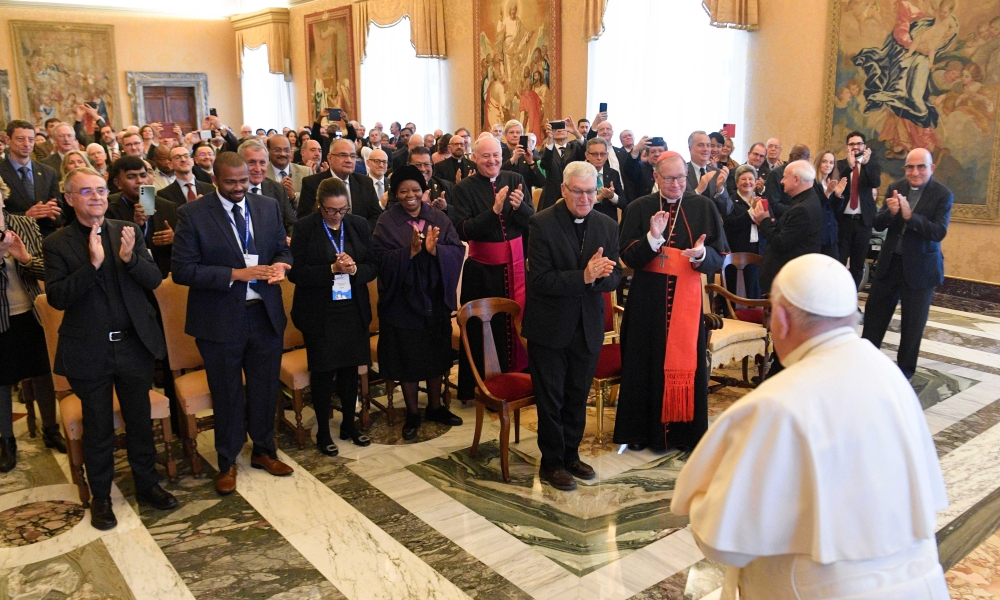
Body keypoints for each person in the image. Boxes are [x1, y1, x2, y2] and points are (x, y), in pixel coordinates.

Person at [673, 254, 949, 600]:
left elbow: (722, 541)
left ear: (782, 320)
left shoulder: (777, 404)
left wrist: (703, 499)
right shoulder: (889, 375)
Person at [44, 167, 178, 529]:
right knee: (99, 427)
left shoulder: (127, 231)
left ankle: (148, 484)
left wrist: (130, 259)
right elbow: (57, 298)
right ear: (70, 200)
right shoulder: (58, 242)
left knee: (139, 420)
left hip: (133, 345)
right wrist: (93, 265)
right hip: (90, 351)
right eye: (86, 192)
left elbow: (154, 281)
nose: (96, 198)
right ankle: (101, 497)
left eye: (101, 191)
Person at [171, 152, 294, 496]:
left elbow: (282, 250)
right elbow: (182, 270)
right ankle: (227, 461)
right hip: (219, 319)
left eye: (244, 181)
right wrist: (235, 275)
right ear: (215, 180)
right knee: (226, 391)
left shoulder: (267, 206)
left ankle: (264, 450)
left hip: (264, 314)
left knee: (265, 387)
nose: (240, 187)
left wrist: (282, 266)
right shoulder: (193, 214)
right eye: (231, 183)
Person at [613, 152, 728, 452]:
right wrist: (652, 238)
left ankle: (684, 433)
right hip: (646, 300)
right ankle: (639, 432)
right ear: (656, 177)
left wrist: (702, 256)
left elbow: (720, 256)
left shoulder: (703, 206)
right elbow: (627, 256)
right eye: (669, 178)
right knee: (643, 362)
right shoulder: (639, 208)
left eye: (681, 178)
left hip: (687, 299)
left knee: (687, 363)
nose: (677, 184)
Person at [522, 161, 621, 491]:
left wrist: (604, 276)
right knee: (552, 399)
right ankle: (551, 463)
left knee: (578, 395)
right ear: (563, 190)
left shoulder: (606, 224)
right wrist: (585, 276)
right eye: (578, 191)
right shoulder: (541, 224)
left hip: (587, 325)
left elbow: (617, 276)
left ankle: (571, 455)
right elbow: (540, 279)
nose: (585, 199)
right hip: (549, 326)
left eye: (591, 192)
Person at [373, 166, 464, 440]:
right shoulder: (386, 222)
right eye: (403, 191)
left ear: (424, 191)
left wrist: (436, 250)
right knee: (408, 359)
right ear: (395, 194)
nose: (410, 196)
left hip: (434, 299)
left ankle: (435, 407)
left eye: (415, 190)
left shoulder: (437, 217)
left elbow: (456, 250)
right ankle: (413, 413)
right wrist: (409, 252)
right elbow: (379, 258)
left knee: (436, 354)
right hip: (402, 303)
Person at [289, 178, 375, 455]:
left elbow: (373, 266)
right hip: (320, 312)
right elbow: (296, 273)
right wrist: (330, 269)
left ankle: (349, 424)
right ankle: (324, 432)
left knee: (351, 370)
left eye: (342, 210)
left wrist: (352, 271)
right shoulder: (305, 227)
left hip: (352, 309)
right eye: (331, 210)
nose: (337, 215)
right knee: (324, 372)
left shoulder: (359, 224)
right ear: (319, 205)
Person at [451, 136, 532, 403]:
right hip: (483, 273)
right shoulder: (463, 188)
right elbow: (463, 229)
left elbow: (531, 222)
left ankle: (520, 379)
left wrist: (520, 208)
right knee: (484, 330)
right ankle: (479, 387)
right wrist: (493, 210)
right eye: (485, 156)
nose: (492, 161)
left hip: (518, 267)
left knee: (519, 323)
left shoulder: (515, 177)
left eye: (496, 155)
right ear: (474, 157)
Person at [862, 148, 952, 380]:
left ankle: (904, 375)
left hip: (921, 271)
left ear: (931, 168)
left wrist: (910, 217)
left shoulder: (942, 194)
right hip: (889, 265)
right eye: (910, 167)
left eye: (921, 166)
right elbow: (879, 224)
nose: (915, 172)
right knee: (873, 320)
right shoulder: (897, 186)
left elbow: (938, 232)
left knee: (912, 328)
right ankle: (864, 367)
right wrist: (892, 213)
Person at [0, 182, 64, 472]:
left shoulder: (24, 224)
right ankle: (6, 441)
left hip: (32, 311)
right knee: (1, 379)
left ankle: (51, 428)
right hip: (1, 318)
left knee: (42, 372)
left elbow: (46, 269)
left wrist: (24, 258)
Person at [750, 160, 823, 294]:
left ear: (796, 179)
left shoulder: (803, 208)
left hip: (791, 280)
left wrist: (765, 219)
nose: (782, 181)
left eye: (784, 177)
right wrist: (764, 222)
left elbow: (781, 242)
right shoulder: (806, 200)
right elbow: (785, 232)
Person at [105, 156, 178, 278]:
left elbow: (185, 244)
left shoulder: (168, 206)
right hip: (125, 275)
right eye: (131, 176)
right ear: (118, 183)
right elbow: (110, 247)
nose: (140, 180)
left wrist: (174, 238)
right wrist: (136, 224)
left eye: (143, 175)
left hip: (162, 274)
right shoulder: (109, 208)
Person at [298, 139, 381, 228]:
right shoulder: (312, 183)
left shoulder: (365, 182)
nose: (349, 160)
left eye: (353, 156)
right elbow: (305, 221)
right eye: (343, 155)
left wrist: (357, 233)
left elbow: (376, 217)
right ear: (330, 158)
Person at [1, 120, 63, 237]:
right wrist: (26, 216)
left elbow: (60, 216)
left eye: (31, 139)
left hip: (46, 239)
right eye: (20, 139)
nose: (27, 144)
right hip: (12, 240)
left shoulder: (48, 172)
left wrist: (51, 214)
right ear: (8, 140)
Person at [837, 131, 882, 288]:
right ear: (847, 146)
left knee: (857, 264)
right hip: (843, 220)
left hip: (863, 221)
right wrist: (850, 167)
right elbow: (837, 185)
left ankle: (852, 298)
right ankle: (837, 296)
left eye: (859, 144)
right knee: (839, 262)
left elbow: (875, 182)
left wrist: (866, 165)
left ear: (864, 146)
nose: (855, 146)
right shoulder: (840, 164)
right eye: (852, 144)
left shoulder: (872, 165)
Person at [723, 164, 764, 299]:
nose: (747, 182)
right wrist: (750, 211)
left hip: (757, 251)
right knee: (737, 293)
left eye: (751, 179)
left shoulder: (760, 200)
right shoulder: (730, 201)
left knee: (755, 291)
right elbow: (730, 225)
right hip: (738, 252)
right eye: (743, 179)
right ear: (736, 183)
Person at [240, 140, 297, 235]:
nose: (258, 169)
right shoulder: (234, 190)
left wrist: (289, 239)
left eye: (262, 163)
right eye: (251, 162)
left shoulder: (278, 189)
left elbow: (291, 224)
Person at [538, 118, 585, 210]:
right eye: (555, 127)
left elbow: (588, 151)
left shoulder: (575, 148)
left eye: (562, 126)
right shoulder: (546, 150)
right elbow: (545, 164)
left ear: (568, 131)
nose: (559, 130)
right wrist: (549, 139)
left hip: (573, 194)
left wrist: (576, 132)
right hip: (551, 197)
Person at [686, 131, 732, 217]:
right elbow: (679, 206)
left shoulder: (718, 173)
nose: (706, 149)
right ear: (690, 148)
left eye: (708, 145)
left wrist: (720, 189)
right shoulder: (681, 172)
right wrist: (698, 190)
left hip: (713, 228)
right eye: (701, 145)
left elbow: (727, 210)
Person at [813, 151, 848, 258]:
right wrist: (827, 192)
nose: (828, 165)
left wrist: (837, 195)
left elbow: (834, 210)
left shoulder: (831, 181)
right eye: (824, 161)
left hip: (830, 234)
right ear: (818, 163)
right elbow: (814, 207)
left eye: (831, 162)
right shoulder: (812, 182)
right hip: (817, 234)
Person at [583, 137, 626, 221]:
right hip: (586, 220)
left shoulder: (613, 174)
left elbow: (624, 203)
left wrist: (612, 196)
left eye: (602, 154)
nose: (599, 158)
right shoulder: (579, 174)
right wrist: (599, 197)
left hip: (608, 222)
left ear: (607, 155)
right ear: (587, 155)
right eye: (595, 154)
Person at [763, 144, 811, 218]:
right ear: (791, 156)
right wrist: (796, 210)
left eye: (808, 157)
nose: (806, 160)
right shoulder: (776, 174)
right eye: (802, 156)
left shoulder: (804, 175)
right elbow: (773, 204)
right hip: (781, 220)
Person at [409, 146, 452, 213]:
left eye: (426, 164)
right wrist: (419, 205)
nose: (423, 169)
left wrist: (445, 207)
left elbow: (457, 216)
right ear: (408, 166)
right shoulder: (400, 189)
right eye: (418, 165)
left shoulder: (445, 186)